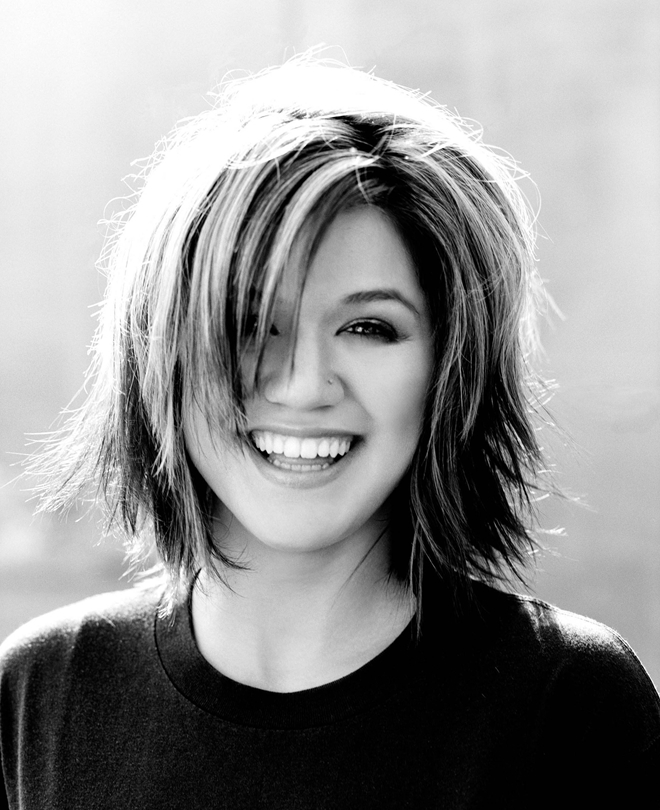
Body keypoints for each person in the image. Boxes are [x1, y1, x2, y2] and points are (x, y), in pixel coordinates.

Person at [0, 56, 658, 809]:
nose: (304, 384)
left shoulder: (572, 709)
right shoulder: (42, 693)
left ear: (449, 367)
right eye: (251, 322)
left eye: (369, 327)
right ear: (159, 352)